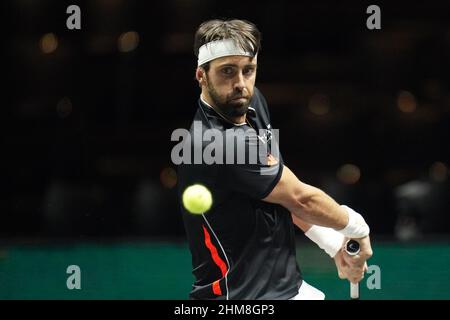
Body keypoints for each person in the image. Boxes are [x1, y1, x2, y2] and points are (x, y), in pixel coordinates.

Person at [176, 19, 373, 300]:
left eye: (249, 70)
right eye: (227, 72)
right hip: (241, 297)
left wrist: (334, 244)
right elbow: (300, 198)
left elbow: (280, 191)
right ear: (201, 75)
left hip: (285, 287)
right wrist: (356, 226)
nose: (240, 84)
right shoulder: (216, 142)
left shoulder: (253, 104)